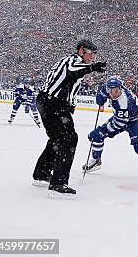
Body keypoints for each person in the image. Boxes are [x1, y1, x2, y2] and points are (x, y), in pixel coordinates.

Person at [32, 39, 107, 198]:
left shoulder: (72, 61)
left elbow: (68, 81)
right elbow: (73, 71)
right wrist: (92, 68)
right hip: (53, 103)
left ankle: (41, 173)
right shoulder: (73, 60)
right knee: (69, 138)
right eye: (90, 53)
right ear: (81, 51)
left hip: (49, 102)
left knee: (57, 139)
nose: (92, 57)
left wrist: (69, 104)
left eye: (93, 55)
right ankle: (58, 184)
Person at [82, 75, 138, 173]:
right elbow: (99, 99)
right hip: (121, 117)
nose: (112, 94)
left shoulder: (125, 102)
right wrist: (101, 97)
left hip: (137, 122)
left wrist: (104, 131)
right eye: (110, 91)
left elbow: (119, 123)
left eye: (115, 91)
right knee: (95, 135)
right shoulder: (109, 87)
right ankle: (96, 160)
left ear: (120, 88)